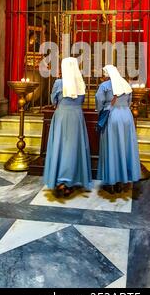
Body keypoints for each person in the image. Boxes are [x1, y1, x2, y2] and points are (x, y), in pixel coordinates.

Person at [43, 57, 92, 196]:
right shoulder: (81, 83)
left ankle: (61, 179)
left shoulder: (59, 82)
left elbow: (54, 100)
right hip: (76, 116)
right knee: (74, 147)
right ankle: (72, 179)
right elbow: (82, 100)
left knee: (60, 146)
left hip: (62, 116)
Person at [95, 65, 141, 193]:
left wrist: (101, 110)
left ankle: (111, 181)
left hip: (113, 117)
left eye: (104, 74)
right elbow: (130, 102)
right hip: (127, 116)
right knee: (124, 147)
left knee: (111, 148)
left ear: (107, 74)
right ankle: (122, 179)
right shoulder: (125, 84)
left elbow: (99, 102)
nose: (103, 76)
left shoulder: (104, 86)